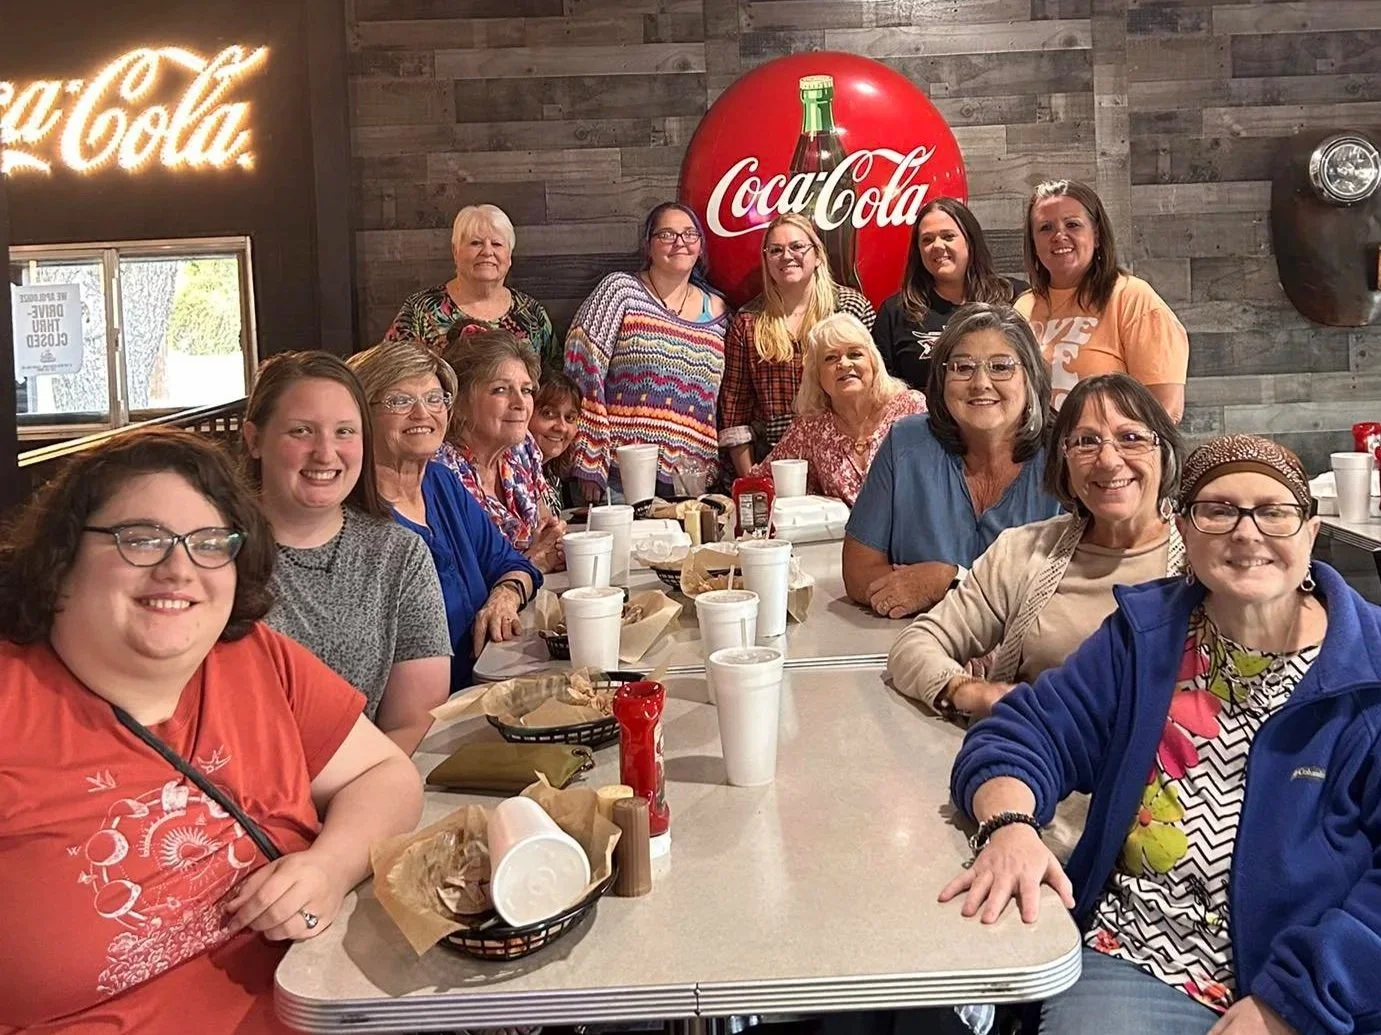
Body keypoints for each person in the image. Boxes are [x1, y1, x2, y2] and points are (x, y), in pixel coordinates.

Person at [944, 434, 1381, 1035]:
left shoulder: (1369, 667)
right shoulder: (1145, 636)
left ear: (1309, 530)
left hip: (1316, 991)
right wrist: (1009, 827)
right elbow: (1025, 733)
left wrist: (1289, 1004)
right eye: (1218, 510)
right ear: (1184, 529)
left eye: (1274, 511)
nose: (1247, 533)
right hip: (1142, 956)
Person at [0, 428, 422, 1033]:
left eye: (209, 543)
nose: (179, 568)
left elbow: (386, 775)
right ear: (61, 558)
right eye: (141, 540)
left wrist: (329, 867)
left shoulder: (252, 657)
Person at [890, 373, 1184, 720]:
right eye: (1086, 442)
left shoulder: (1206, 558)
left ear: (1164, 454)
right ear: (1064, 463)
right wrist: (968, 691)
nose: (1108, 460)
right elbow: (914, 645)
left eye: (1131, 438)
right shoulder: (1023, 551)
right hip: (1036, 763)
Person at [243, 351, 453, 754]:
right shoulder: (212, 557)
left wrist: (357, 797)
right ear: (255, 440)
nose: (325, 453)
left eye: (344, 432)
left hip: (366, 792)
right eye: (301, 431)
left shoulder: (399, 554)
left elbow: (414, 721)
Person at [843, 303, 1061, 619]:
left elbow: (1077, 589)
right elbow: (858, 570)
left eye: (1000, 367)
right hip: (912, 647)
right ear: (942, 377)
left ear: (1031, 378)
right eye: (962, 367)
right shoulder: (905, 444)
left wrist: (950, 582)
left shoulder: (1065, 456)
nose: (980, 383)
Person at [347, 341, 541, 692]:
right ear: (362, 413)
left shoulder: (441, 482)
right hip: (422, 721)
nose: (423, 414)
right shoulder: (356, 518)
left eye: (434, 399)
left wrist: (506, 595)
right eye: (400, 401)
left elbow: (514, 564)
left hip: (485, 689)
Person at [564, 202, 729, 502]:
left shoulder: (720, 312)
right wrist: (589, 456)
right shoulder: (620, 291)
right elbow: (581, 368)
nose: (680, 242)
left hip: (690, 483)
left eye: (689, 234)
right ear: (648, 246)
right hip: (619, 475)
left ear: (701, 246)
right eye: (667, 234)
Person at [1016, 179, 1189, 421]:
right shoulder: (1021, 308)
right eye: (1045, 228)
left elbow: (1166, 409)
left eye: (1073, 225)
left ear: (1096, 236)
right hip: (1038, 456)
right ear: (1033, 243)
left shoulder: (1131, 298)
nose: (1059, 235)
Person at [719, 212, 877, 476]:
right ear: (766, 260)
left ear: (817, 256)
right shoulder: (748, 321)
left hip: (844, 459)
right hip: (776, 464)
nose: (787, 256)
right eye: (776, 250)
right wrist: (753, 481)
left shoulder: (850, 309)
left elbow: (876, 390)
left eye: (797, 247)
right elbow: (735, 412)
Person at [749, 313, 926, 506]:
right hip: (839, 535)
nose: (844, 364)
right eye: (831, 358)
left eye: (855, 354)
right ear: (817, 375)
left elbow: (942, 475)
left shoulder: (910, 408)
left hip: (911, 533)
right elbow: (758, 482)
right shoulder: (810, 427)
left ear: (873, 362)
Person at [436, 329, 566, 572]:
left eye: (526, 390)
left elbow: (544, 525)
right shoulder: (441, 473)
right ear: (459, 402)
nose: (520, 403)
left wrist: (553, 538)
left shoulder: (521, 449)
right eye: (500, 390)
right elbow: (461, 582)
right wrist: (532, 563)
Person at [872, 197, 1027, 395]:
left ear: (970, 241)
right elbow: (882, 390)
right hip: (927, 424)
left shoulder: (1015, 297)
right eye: (927, 239)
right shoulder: (895, 312)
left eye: (948, 236)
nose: (937, 246)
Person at [383, 203, 558, 370]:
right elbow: (392, 374)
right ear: (455, 252)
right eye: (476, 243)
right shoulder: (419, 310)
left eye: (497, 244)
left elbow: (553, 382)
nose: (487, 252)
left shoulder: (532, 313)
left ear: (509, 255)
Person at [530, 369, 584, 515]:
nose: (561, 427)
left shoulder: (551, 475)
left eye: (569, 418)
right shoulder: (513, 478)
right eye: (548, 414)